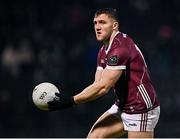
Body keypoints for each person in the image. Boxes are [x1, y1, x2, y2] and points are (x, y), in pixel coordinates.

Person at [48, 8, 160, 138]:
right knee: (94, 137)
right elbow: (98, 83)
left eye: (102, 22)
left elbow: (103, 88)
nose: (98, 27)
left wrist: (70, 101)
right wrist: (72, 100)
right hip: (123, 105)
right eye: (95, 23)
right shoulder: (103, 50)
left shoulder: (120, 47)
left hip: (141, 108)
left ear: (114, 25)